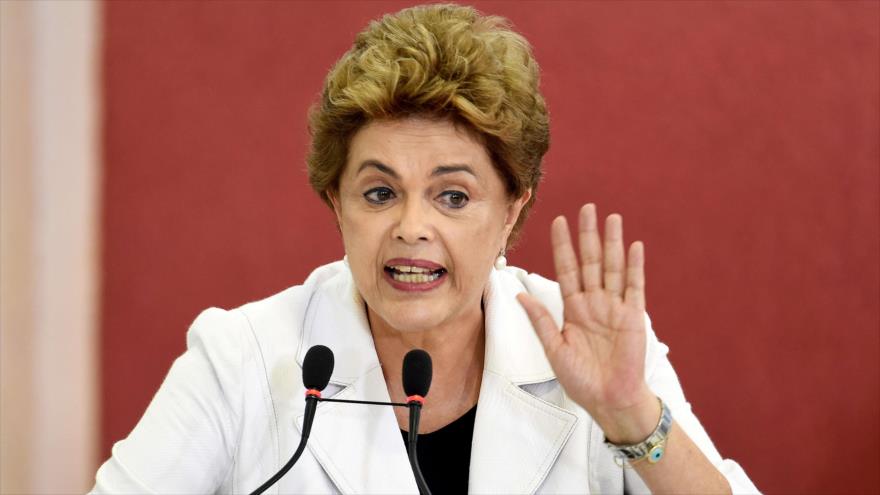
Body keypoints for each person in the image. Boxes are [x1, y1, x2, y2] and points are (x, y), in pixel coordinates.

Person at [92, 4, 759, 494]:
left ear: (511, 209)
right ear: (336, 203)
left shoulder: (582, 339)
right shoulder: (243, 358)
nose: (412, 226)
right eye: (380, 193)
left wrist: (629, 414)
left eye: (453, 196)